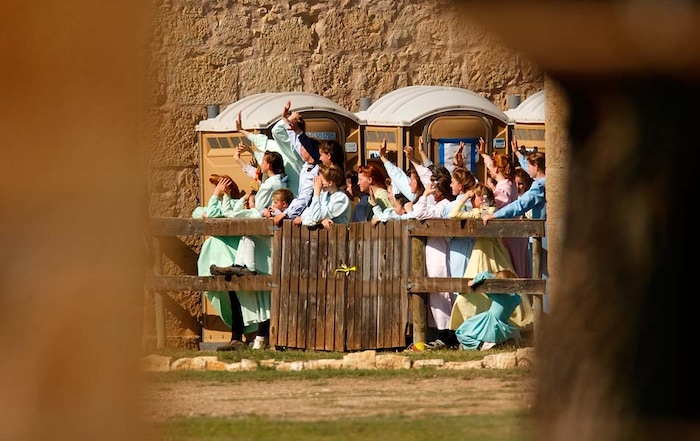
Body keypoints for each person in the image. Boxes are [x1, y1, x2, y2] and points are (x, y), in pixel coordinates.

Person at [192, 174, 248, 351]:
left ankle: (239, 336)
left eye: (217, 187)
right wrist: (215, 197)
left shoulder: (234, 206)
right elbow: (209, 214)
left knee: (238, 298)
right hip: (215, 261)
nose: (214, 191)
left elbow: (219, 213)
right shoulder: (208, 206)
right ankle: (236, 335)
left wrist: (221, 196)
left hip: (234, 259)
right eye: (214, 188)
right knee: (226, 299)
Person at [412, 157, 456, 348]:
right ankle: (442, 331)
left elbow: (418, 213)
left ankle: (446, 334)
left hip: (440, 251)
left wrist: (424, 195)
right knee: (436, 290)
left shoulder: (444, 204)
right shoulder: (438, 203)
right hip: (434, 249)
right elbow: (424, 176)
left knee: (442, 289)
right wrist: (413, 158)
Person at [237, 109, 302, 197]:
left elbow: (276, 131)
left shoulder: (296, 148)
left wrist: (288, 118)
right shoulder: (279, 145)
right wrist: (241, 130)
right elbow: (262, 143)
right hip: (285, 201)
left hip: (298, 197)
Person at [455, 270, 522, 351]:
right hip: (504, 326)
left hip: (491, 322)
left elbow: (484, 274)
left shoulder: (499, 293)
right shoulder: (515, 298)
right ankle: (501, 342)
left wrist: (473, 281)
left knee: (461, 332)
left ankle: (482, 345)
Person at [296, 164, 351, 228]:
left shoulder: (341, 199)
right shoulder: (324, 195)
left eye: (321, 180)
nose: (319, 182)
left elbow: (316, 217)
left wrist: (316, 192)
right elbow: (306, 214)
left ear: (330, 183)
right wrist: (320, 221)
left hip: (338, 235)